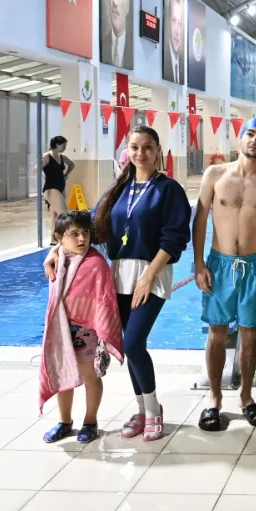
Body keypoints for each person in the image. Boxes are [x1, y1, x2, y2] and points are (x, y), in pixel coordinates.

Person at [47, 125, 191, 442]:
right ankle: (141, 410)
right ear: (127, 150)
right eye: (135, 147)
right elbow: (87, 226)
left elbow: (176, 237)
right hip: (119, 276)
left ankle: (153, 410)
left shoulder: (168, 189)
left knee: (134, 343)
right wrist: (56, 250)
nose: (141, 153)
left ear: (157, 150)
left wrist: (149, 277)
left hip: (151, 273)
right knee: (127, 346)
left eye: (148, 147)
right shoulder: (119, 189)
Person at [193, 117, 256, 431]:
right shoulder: (215, 174)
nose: (255, 140)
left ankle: (246, 396)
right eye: (250, 134)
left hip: (255, 265)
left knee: (249, 334)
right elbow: (200, 220)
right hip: (219, 264)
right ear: (240, 138)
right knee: (216, 333)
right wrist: (198, 263)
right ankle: (214, 397)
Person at [39, 211, 124, 445]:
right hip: (60, 328)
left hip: (87, 330)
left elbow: (105, 299)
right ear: (59, 238)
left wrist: (103, 329)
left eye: (85, 232)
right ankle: (64, 422)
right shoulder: (57, 260)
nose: (81, 239)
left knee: (89, 375)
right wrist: (54, 253)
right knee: (62, 373)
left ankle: (90, 421)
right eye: (74, 234)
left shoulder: (96, 263)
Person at [36, 136, 75, 230]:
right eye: (63, 146)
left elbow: (72, 164)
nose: (65, 148)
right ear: (57, 145)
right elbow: (36, 169)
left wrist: (66, 174)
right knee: (63, 214)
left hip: (61, 189)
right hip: (51, 189)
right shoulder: (46, 156)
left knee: (54, 215)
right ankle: (66, 234)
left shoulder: (62, 157)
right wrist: (40, 165)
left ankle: (53, 236)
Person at [164, 0, 184, 84]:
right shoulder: (164, 61)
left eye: (179, 22)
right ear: (168, 22)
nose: (177, 31)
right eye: (174, 20)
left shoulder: (183, 65)